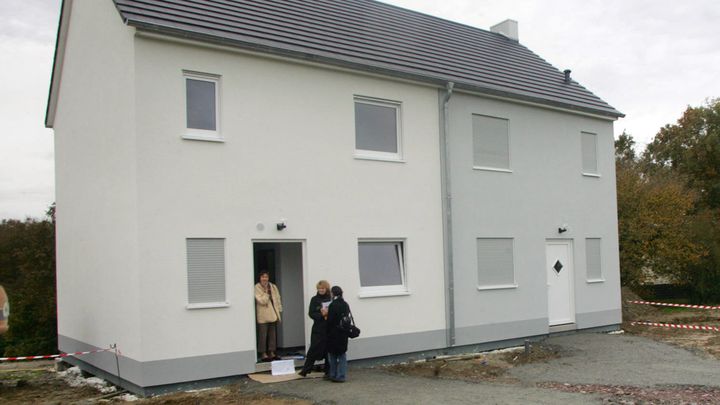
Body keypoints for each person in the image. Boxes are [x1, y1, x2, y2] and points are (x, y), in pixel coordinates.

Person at [299, 280, 332, 377]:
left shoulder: (330, 298)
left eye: (322, 288)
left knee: (328, 350)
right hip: (318, 328)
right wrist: (321, 315)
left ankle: (328, 371)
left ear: (326, 289)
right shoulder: (314, 299)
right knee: (313, 348)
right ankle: (306, 370)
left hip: (329, 328)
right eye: (319, 288)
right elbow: (311, 313)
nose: (321, 290)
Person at [255, 271, 282, 362]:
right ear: (259, 278)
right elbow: (261, 301)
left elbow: (277, 299)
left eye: (266, 277)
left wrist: (279, 310)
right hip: (263, 315)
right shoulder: (257, 287)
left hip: (273, 313)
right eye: (262, 277)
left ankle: (272, 352)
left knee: (272, 335)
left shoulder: (273, 287)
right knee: (263, 335)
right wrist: (266, 293)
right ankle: (263, 353)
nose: (264, 279)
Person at [326, 285, 350, 382]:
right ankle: (341, 375)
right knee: (342, 354)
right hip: (343, 332)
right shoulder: (345, 304)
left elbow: (330, 320)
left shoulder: (333, 305)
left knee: (332, 354)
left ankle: (333, 374)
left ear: (333, 293)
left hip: (334, 333)